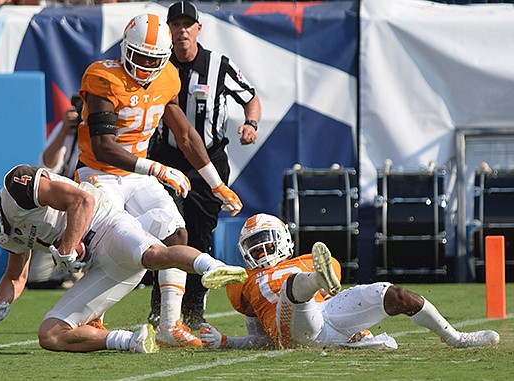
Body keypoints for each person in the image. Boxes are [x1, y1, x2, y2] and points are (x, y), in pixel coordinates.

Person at [0, 164, 248, 353]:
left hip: (105, 225)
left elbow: (82, 200)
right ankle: (129, 340)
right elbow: (16, 276)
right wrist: (1, 301)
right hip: (96, 265)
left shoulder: (18, 187)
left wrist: (67, 246)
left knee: (153, 254)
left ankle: (213, 266)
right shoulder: (9, 235)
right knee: (50, 335)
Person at [74, 13, 243, 347]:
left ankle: (169, 323)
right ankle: (91, 312)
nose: (145, 67)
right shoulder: (103, 77)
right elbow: (104, 148)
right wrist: (157, 169)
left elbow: (184, 134)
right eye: (139, 57)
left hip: (136, 175)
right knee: (113, 243)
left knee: (175, 231)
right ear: (125, 49)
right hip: (99, 173)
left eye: (154, 59)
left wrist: (215, 183)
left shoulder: (167, 77)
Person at [198, 213, 500, 350]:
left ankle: (455, 338)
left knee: (393, 294)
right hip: (291, 332)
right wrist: (229, 341)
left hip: (325, 316)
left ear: (284, 240)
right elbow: (263, 339)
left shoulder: (302, 258)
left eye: (265, 241)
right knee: (293, 290)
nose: (261, 250)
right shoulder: (243, 281)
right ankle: (318, 280)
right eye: (254, 244)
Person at [148, 1, 262, 331]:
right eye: (176, 24)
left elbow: (250, 96)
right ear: (168, 30)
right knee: (168, 233)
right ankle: (161, 312)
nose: (182, 30)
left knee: (199, 236)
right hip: (167, 160)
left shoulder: (218, 65)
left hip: (209, 161)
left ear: (199, 29)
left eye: (188, 24)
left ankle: (194, 312)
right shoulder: (157, 65)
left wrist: (251, 123)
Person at [27, 95, 83, 289]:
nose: (80, 112)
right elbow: (47, 166)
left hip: (92, 201)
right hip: (62, 204)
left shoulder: (104, 129)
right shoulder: (67, 128)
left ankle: (85, 267)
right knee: (38, 280)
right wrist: (65, 130)